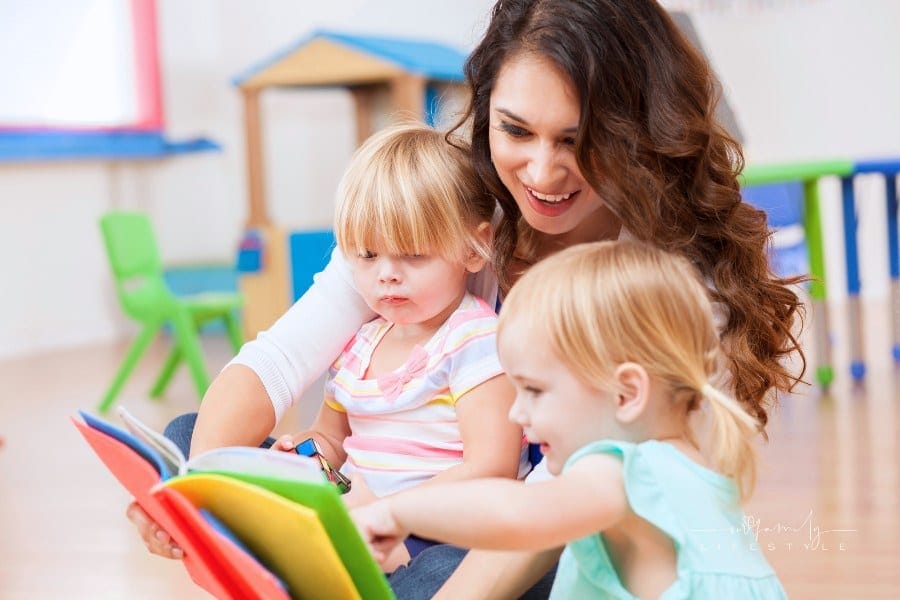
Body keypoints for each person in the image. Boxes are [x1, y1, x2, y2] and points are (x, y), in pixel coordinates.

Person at [128, 0, 805, 596]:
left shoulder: (664, 285)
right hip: (402, 506)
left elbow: (545, 508)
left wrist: (403, 525)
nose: (541, 173)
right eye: (515, 130)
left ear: (636, 132)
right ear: (485, 115)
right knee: (196, 441)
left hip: (535, 531)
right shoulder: (439, 215)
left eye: (579, 141)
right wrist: (194, 501)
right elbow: (281, 359)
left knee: (468, 566)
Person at [352, 240, 789, 599]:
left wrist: (398, 511)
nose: (516, 413)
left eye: (536, 391)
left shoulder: (620, 470)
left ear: (627, 393)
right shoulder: (686, 465)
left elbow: (518, 515)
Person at [266, 123, 529, 571]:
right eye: (368, 256)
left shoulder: (475, 339)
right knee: (192, 434)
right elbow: (332, 436)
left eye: (412, 254)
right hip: (360, 518)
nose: (386, 274)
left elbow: (493, 467)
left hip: (437, 530)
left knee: (441, 572)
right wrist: (305, 453)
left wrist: (391, 513)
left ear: (475, 247)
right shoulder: (361, 341)